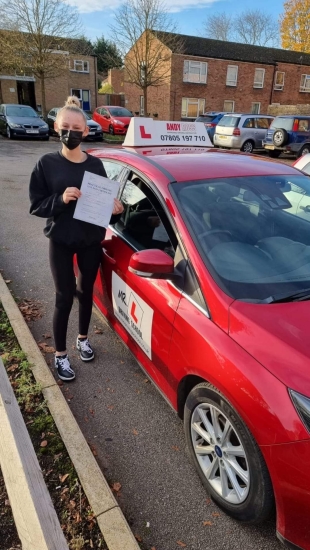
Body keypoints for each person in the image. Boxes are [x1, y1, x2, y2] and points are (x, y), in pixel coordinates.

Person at [29, 96, 124, 382]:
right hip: (60, 240)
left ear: (85, 131)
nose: (70, 132)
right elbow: (36, 205)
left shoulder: (95, 165)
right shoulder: (46, 163)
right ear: (57, 128)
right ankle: (59, 355)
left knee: (85, 295)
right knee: (63, 297)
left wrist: (116, 211)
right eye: (65, 126)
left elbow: (104, 210)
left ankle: (83, 339)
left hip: (89, 241)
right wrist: (61, 199)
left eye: (76, 128)